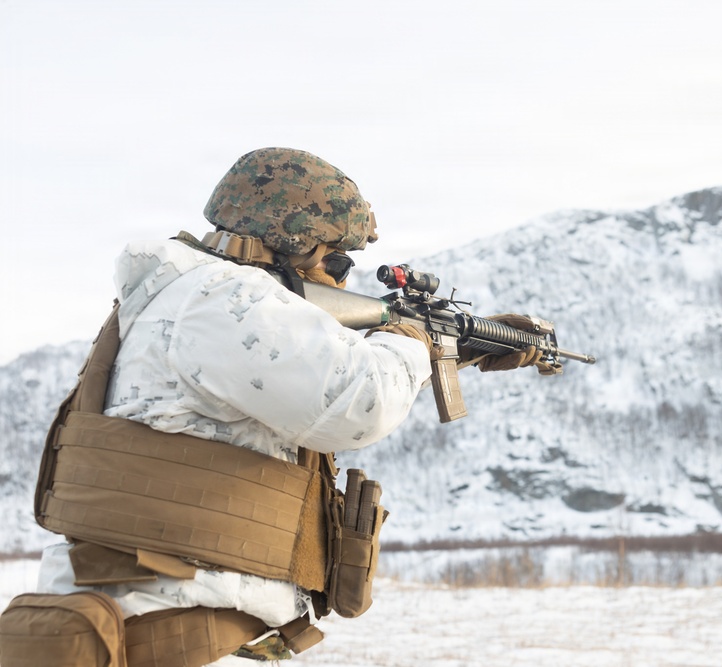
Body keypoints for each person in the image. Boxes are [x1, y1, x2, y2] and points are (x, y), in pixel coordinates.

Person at [9, 148, 538, 667]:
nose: (340, 281)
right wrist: (413, 340)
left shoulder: (197, 298)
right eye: (338, 262)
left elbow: (315, 382)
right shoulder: (223, 299)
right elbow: (359, 402)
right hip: (170, 632)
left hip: (183, 626)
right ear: (295, 242)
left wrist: (449, 349)